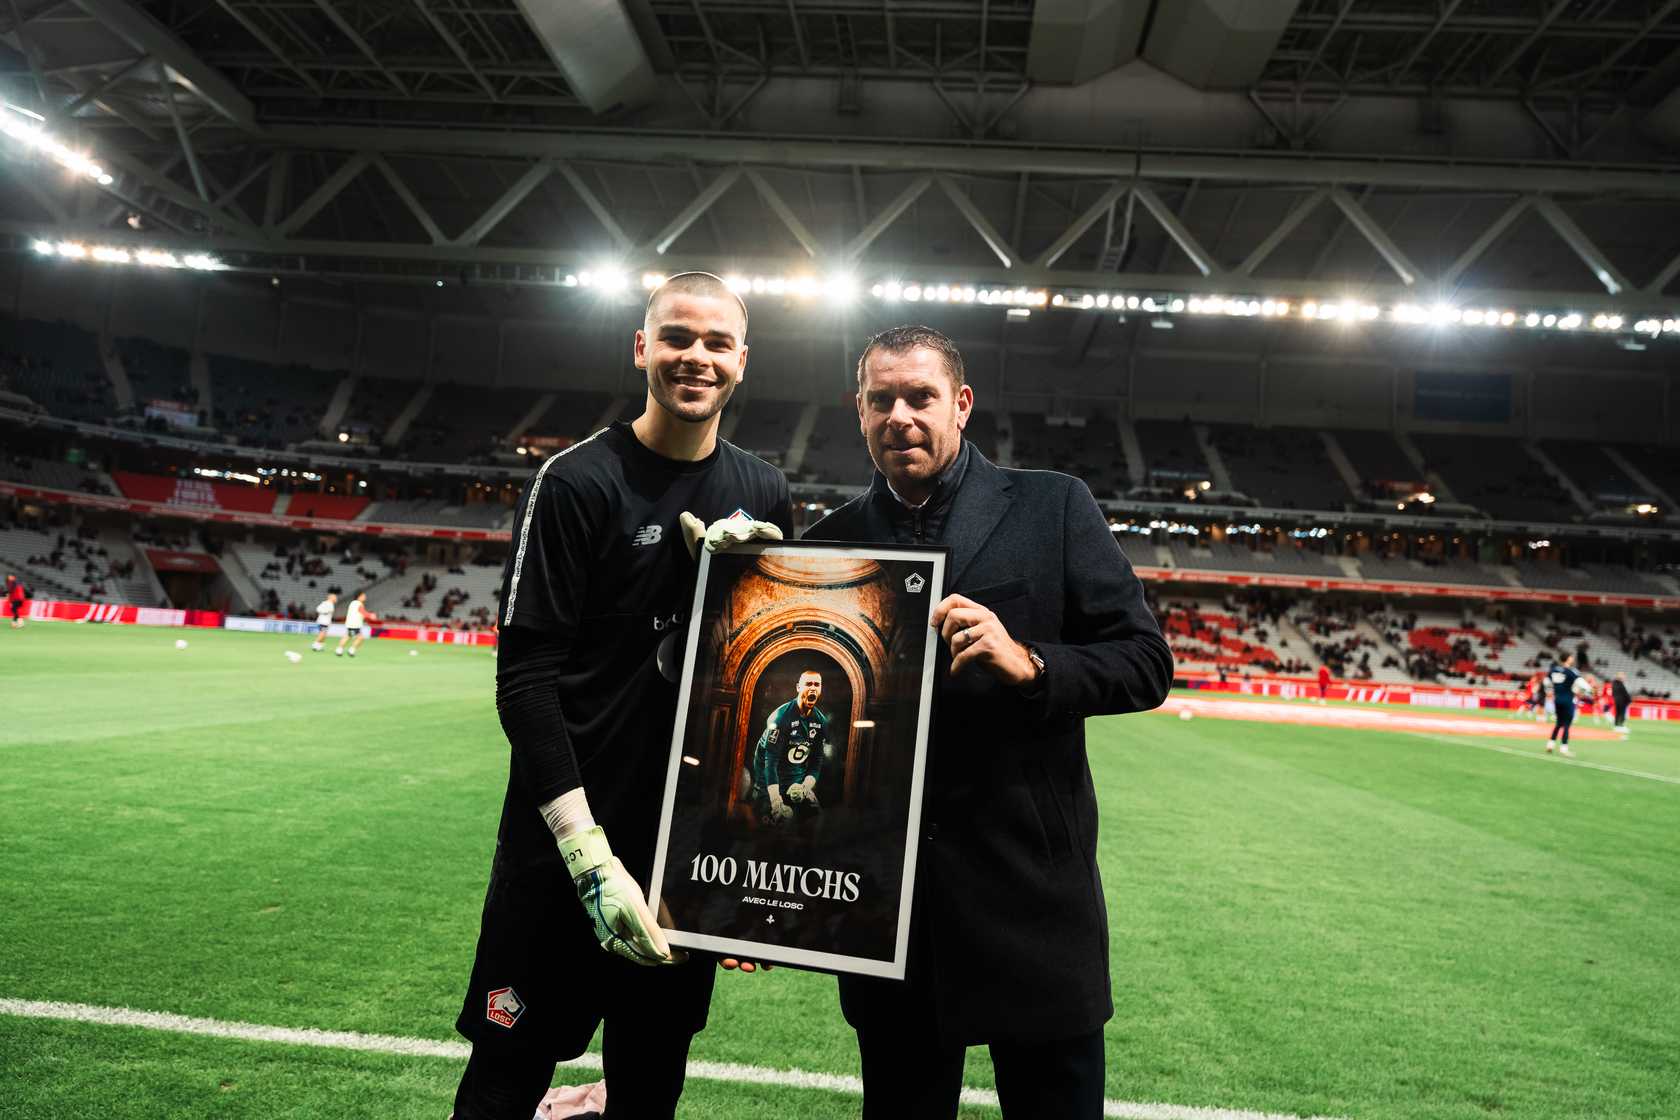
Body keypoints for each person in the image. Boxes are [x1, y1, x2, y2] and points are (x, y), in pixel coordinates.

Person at [804, 324, 1173, 1119]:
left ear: (961, 405)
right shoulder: (826, 547)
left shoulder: (1052, 505)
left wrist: (1031, 662)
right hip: (890, 916)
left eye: (921, 396)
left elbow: (1146, 663)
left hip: (1031, 896)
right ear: (858, 410)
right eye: (882, 399)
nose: (901, 415)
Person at [449, 272, 793, 1120]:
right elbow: (525, 682)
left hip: (683, 862)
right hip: (563, 856)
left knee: (650, 1083)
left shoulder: (766, 494)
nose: (696, 358)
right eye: (677, 337)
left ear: (742, 362)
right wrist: (585, 854)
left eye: (717, 343)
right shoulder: (574, 483)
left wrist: (748, 870)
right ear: (643, 348)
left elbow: (762, 691)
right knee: (506, 1074)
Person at [750, 669, 830, 827]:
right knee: (774, 826)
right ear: (798, 687)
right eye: (808, 684)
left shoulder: (821, 721)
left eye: (817, 684)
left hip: (796, 782)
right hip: (769, 783)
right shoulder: (780, 717)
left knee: (816, 820)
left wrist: (804, 787)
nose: (813, 688)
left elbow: (816, 761)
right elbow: (770, 762)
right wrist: (775, 800)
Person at [1545, 652, 1593, 756]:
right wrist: (1589, 690)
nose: (1572, 658)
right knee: (1567, 724)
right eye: (1571, 657)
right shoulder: (1570, 671)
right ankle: (1564, 747)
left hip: (1557, 699)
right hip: (1567, 700)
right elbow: (1583, 684)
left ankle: (1550, 744)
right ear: (1567, 659)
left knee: (1558, 723)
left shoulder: (1554, 670)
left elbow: (1546, 682)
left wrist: (1550, 690)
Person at [335, 592, 373, 658]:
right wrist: (370, 615)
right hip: (354, 624)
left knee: (349, 636)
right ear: (359, 596)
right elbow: (361, 611)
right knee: (358, 637)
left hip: (352, 623)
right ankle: (348, 650)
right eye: (363, 596)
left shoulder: (353, 603)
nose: (365, 597)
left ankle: (342, 650)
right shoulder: (358, 603)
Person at [1612, 671, 1632, 735]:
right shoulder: (1619, 683)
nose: (1624, 677)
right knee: (1621, 714)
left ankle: (1617, 726)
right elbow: (1625, 693)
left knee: (1618, 714)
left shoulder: (1614, 683)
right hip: (1621, 701)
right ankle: (1620, 726)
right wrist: (1629, 700)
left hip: (1617, 701)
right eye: (1623, 675)